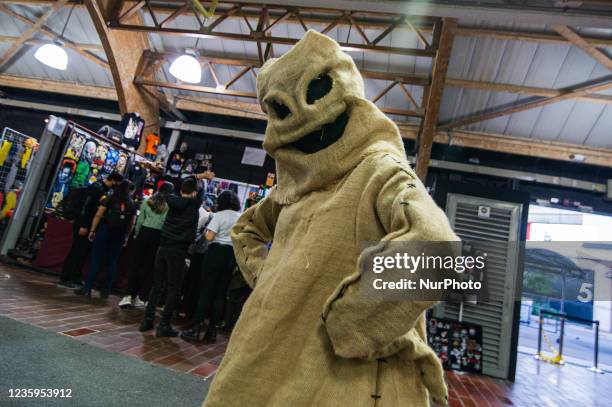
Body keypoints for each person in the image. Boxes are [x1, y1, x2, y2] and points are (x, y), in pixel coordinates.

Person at [140, 170, 214, 337]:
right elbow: (200, 192)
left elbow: (177, 179)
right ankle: (164, 325)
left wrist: (199, 176)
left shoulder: (171, 200)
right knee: (174, 288)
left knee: (157, 284)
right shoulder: (194, 205)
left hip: (162, 246)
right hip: (178, 250)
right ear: (195, 193)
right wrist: (205, 179)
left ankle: (147, 320)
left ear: (180, 190)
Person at [181, 190, 241, 343]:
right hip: (231, 256)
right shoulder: (240, 217)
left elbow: (209, 237)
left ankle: (195, 329)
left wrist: (208, 231)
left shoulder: (219, 215)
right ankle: (212, 331)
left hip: (215, 253)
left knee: (206, 292)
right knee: (220, 295)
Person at [58, 171, 123, 289]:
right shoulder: (96, 188)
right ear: (113, 180)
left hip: (90, 225)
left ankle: (75, 277)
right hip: (83, 224)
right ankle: (65, 277)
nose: (117, 185)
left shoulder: (105, 189)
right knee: (76, 251)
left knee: (83, 253)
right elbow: (86, 208)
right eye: (117, 183)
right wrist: (84, 225)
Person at [75, 180, 137, 298]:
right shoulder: (132, 204)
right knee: (112, 262)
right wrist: (126, 236)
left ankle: (87, 288)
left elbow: (98, 215)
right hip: (119, 234)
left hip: (104, 230)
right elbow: (131, 223)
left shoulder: (109, 199)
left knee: (96, 260)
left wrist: (93, 230)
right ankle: (106, 290)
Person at [118, 182, 174, 309]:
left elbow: (140, 221)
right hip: (158, 236)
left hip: (143, 233)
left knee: (135, 264)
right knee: (148, 267)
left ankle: (127, 296)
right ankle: (140, 296)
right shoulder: (169, 205)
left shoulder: (147, 201)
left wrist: (137, 235)